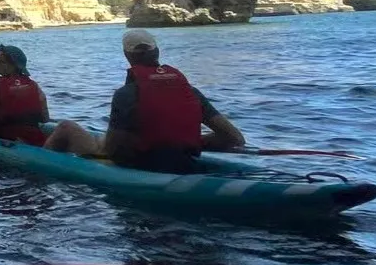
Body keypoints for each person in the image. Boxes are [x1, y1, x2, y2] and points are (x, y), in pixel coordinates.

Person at [45, 29, 246, 169]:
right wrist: (186, 144)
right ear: (157, 51)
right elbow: (234, 138)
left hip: (139, 164)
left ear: (127, 55)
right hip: (184, 161)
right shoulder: (190, 91)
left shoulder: (126, 94)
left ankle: (39, 166)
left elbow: (114, 151)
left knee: (66, 127)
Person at [0, 44, 50, 145]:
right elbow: (45, 118)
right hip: (34, 139)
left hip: (8, 139)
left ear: (13, 65)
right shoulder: (34, 86)